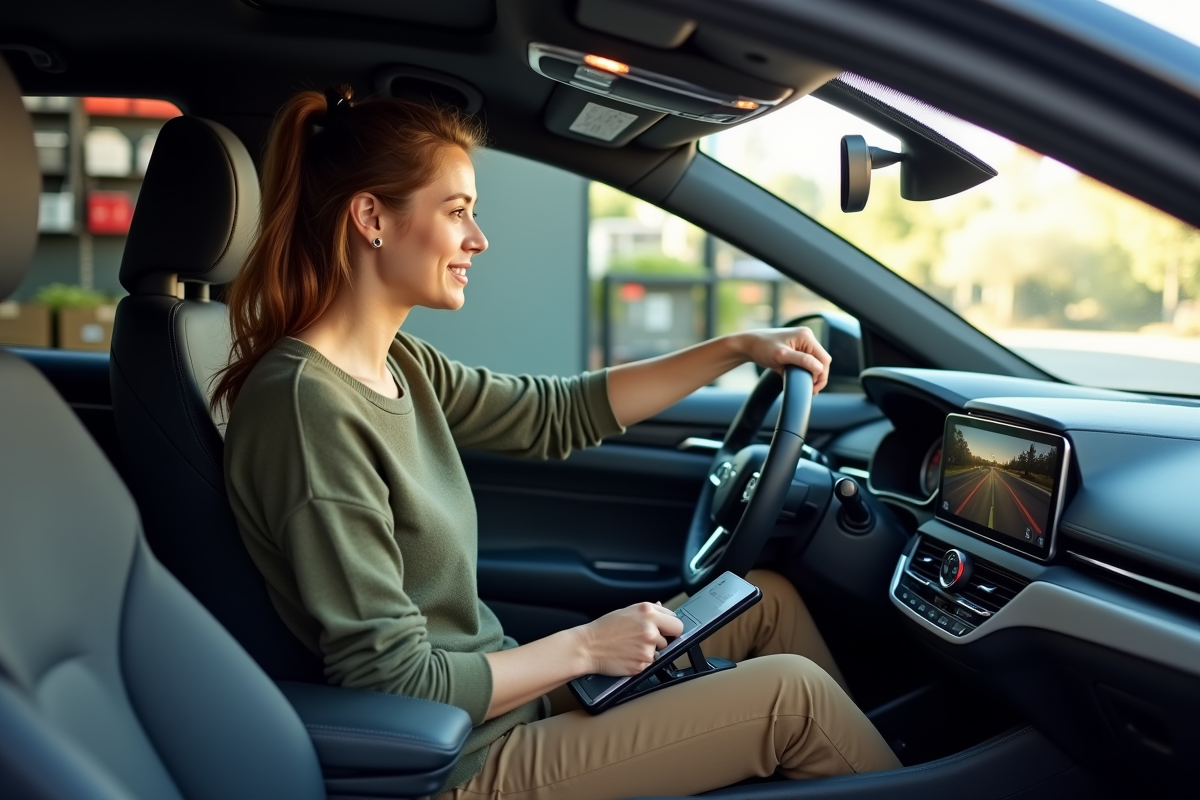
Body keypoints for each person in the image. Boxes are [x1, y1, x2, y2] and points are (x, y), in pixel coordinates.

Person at [217, 87, 900, 800]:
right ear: (371, 218)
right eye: (457, 213)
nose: (477, 238)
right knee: (791, 699)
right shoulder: (307, 409)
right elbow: (394, 683)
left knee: (766, 602)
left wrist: (735, 349)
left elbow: (556, 413)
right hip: (456, 765)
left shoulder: (399, 367)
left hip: (503, 706)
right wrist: (585, 648)